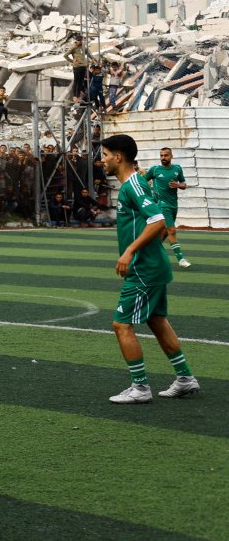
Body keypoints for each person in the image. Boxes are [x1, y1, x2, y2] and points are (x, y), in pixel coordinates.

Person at [98, 134, 199, 403]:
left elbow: (157, 221)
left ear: (118, 157)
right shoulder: (136, 183)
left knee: (121, 325)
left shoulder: (133, 185)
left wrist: (131, 251)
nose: (102, 160)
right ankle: (185, 378)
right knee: (156, 320)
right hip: (152, 265)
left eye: (105, 155)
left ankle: (140, 388)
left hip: (144, 268)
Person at [143, 147, 191, 268]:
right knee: (172, 230)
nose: (163, 158)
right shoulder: (155, 170)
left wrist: (178, 185)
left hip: (173, 204)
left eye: (166, 155)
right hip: (161, 205)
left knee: (164, 233)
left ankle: (149, 254)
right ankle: (181, 259)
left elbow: (184, 184)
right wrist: (150, 192)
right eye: (161, 155)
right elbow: (143, 182)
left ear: (171, 156)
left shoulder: (177, 169)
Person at [64, 34, 89, 103]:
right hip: (77, 66)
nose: (80, 42)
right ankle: (75, 96)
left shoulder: (83, 47)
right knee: (76, 81)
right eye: (78, 41)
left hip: (83, 66)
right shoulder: (73, 47)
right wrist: (72, 61)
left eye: (81, 41)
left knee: (81, 82)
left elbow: (88, 53)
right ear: (76, 41)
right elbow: (65, 55)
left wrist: (93, 59)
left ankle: (78, 96)